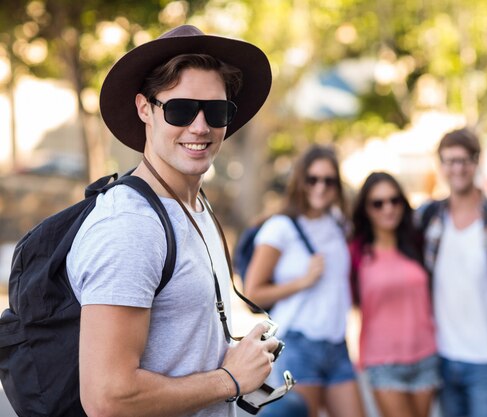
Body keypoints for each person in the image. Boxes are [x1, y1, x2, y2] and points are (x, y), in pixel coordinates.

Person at [66, 25, 280, 417]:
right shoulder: (130, 227)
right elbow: (107, 397)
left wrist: (229, 357)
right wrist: (229, 380)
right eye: (181, 109)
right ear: (145, 108)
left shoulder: (196, 205)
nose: (200, 127)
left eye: (216, 111)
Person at [415, 127, 487, 417]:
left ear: (476, 162)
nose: (457, 168)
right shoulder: (428, 217)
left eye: (464, 160)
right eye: (449, 160)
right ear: (440, 165)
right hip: (443, 359)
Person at [244, 145, 365, 417]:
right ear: (301, 181)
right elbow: (253, 292)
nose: (320, 187)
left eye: (328, 181)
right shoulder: (280, 228)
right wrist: (302, 281)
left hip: (337, 344)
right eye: (312, 179)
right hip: (299, 344)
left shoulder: (337, 223)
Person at [349, 172, 439, 417]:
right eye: (378, 203)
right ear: (366, 209)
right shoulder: (356, 253)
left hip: (426, 356)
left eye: (394, 200)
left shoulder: (418, 243)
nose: (387, 208)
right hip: (382, 361)